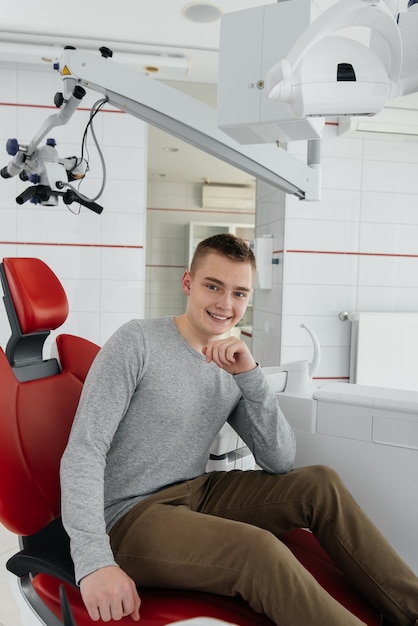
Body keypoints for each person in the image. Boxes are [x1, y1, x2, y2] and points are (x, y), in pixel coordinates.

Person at [60, 233, 418, 626]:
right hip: (130, 515)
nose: (225, 304)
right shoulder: (137, 341)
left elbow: (280, 459)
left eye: (239, 293)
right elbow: (84, 450)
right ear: (188, 283)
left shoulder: (232, 363)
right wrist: (93, 561)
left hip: (197, 491)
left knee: (321, 483)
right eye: (213, 286)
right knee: (257, 550)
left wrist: (250, 376)